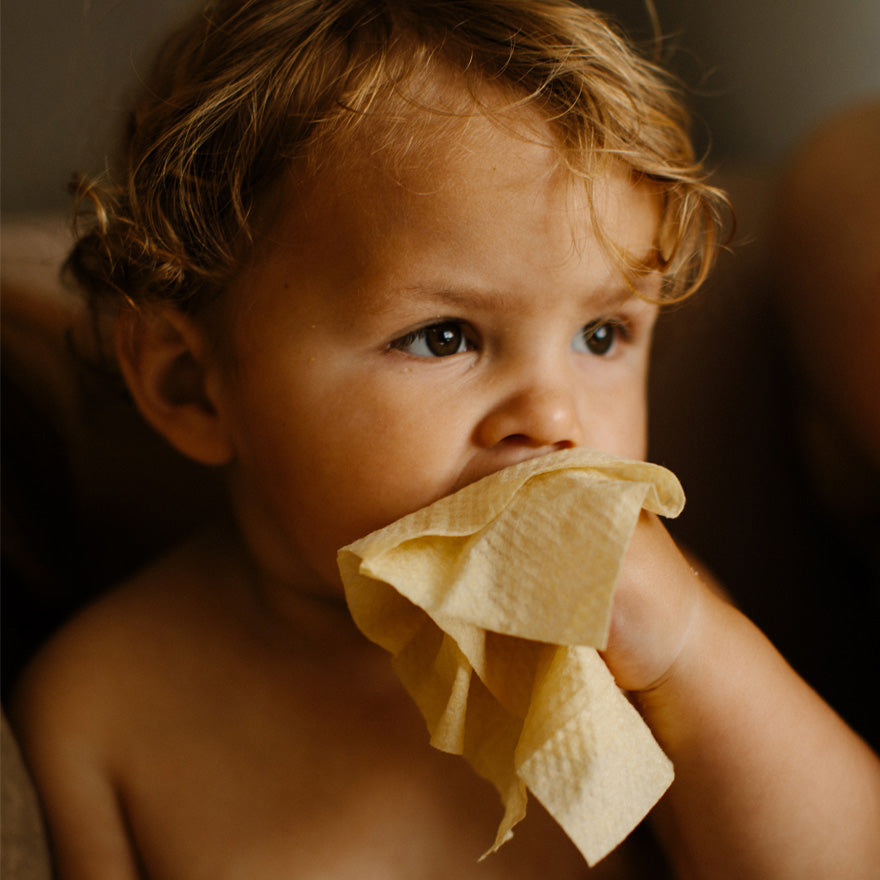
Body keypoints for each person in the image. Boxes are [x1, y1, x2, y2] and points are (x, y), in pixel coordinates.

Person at [9, 2, 879, 878]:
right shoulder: (102, 711)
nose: (557, 419)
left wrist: (692, 648)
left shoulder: (635, 634)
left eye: (602, 336)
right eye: (445, 337)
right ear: (191, 386)